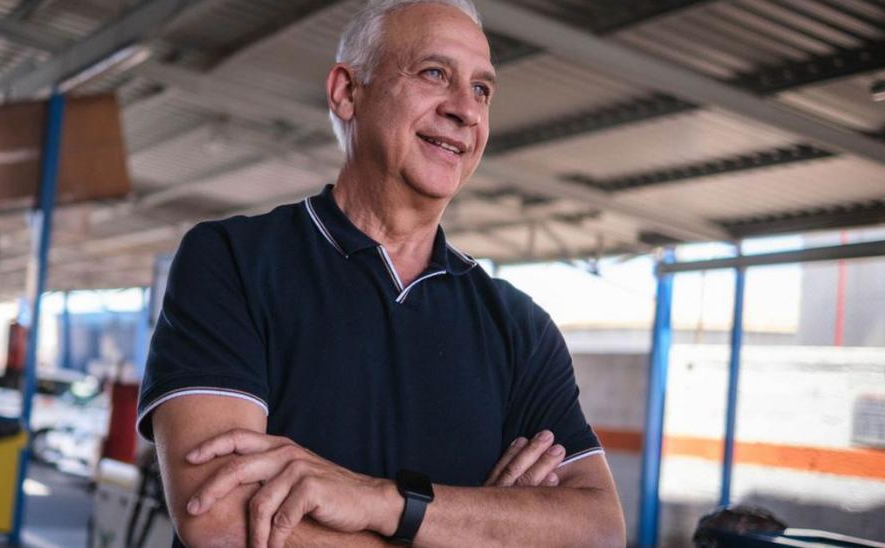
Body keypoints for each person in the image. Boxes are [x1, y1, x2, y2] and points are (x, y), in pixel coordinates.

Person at [137, 0, 626, 545]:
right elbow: (219, 516)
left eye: (483, 90)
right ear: (347, 92)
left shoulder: (519, 329)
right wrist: (480, 528)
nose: (465, 109)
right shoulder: (232, 260)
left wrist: (382, 502)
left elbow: (599, 529)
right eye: (435, 73)